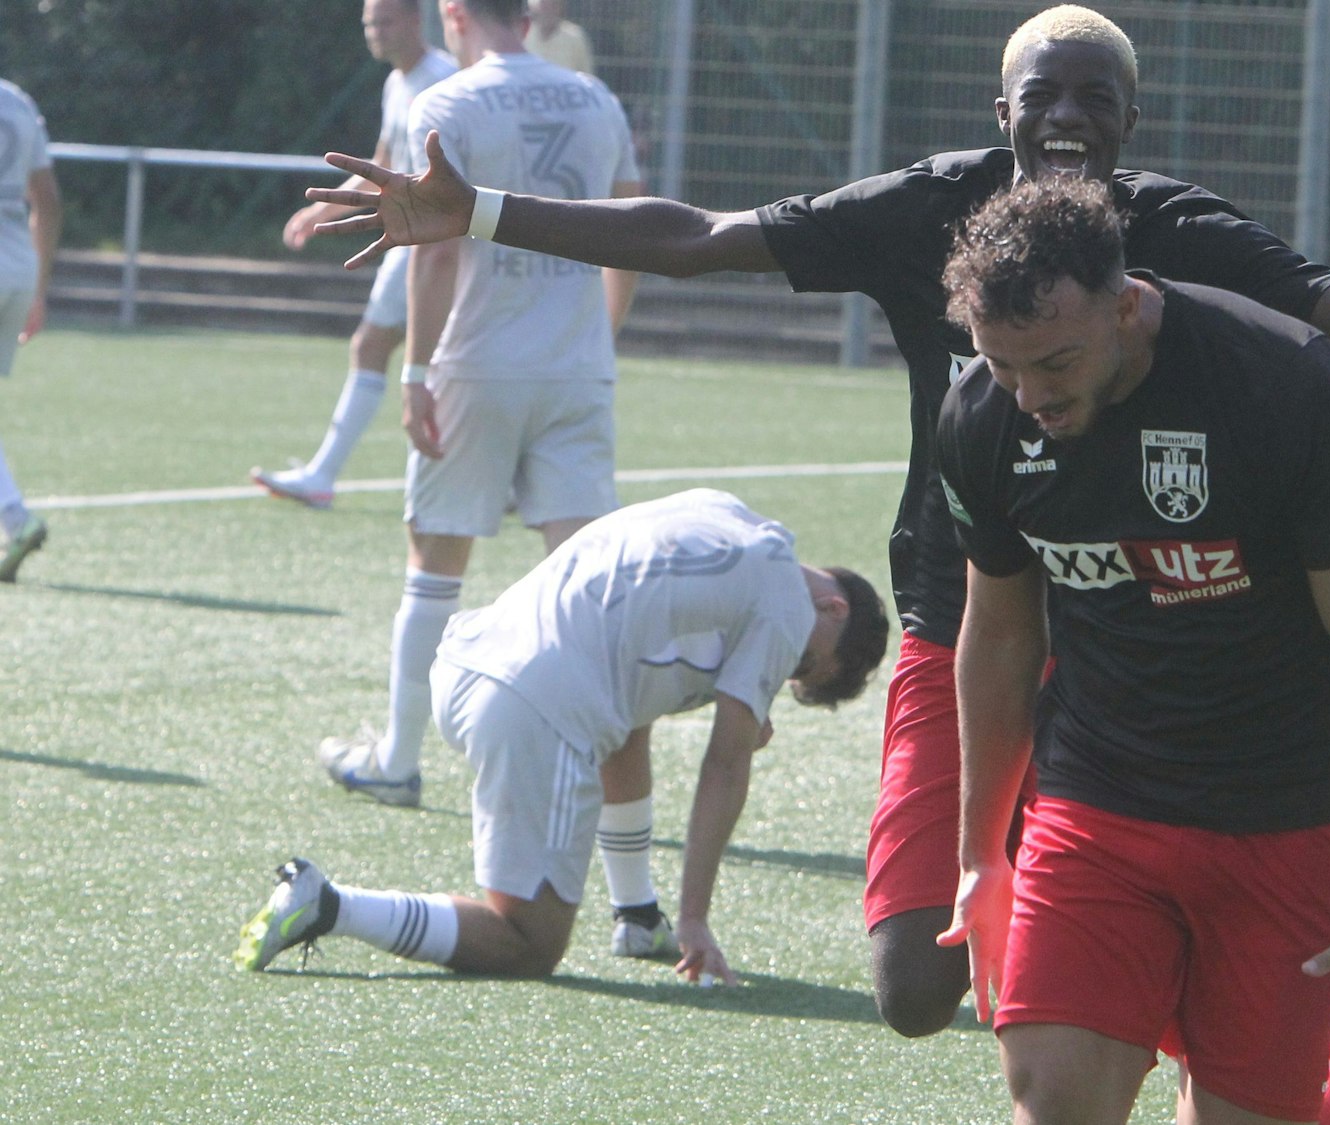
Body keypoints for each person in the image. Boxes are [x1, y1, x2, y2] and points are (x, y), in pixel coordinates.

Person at [298, 5, 1330, 1104]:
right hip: (968, 617)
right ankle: (1204, 1006)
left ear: (1129, 121)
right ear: (1003, 109)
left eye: (1094, 102)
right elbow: (694, 236)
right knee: (921, 982)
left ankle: (1269, 1031)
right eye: (1041, 97)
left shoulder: (1181, 243)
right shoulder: (929, 210)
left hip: (1151, 655)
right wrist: (475, 212)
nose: (1066, 118)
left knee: (1103, 1035)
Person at [932, 174, 1330, 1125]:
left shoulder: (1285, 383)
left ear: (1126, 307)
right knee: (1055, 1094)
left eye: (1057, 363)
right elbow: (997, 633)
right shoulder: (985, 417)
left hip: (1286, 813)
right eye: (1002, 365)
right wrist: (979, 854)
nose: (1030, 395)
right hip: (1099, 799)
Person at [236, 488, 890, 981]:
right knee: (529, 943)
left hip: (469, 658)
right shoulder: (785, 606)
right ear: (833, 606)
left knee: (629, 709)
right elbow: (724, 768)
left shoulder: (727, 513)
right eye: (803, 664)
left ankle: (636, 915)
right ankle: (330, 904)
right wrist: (696, 917)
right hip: (532, 705)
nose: (784, 673)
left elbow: (638, 677)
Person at [312, 0, 642, 820]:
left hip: (478, 367)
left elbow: (432, 254)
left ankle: (396, 758)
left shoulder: (446, 103)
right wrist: (596, 335)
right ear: (525, 15)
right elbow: (632, 224)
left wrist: (418, 369)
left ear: (453, 13)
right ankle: (601, 788)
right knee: (585, 581)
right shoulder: (594, 98)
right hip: (576, 370)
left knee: (434, 565)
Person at [251, 0, 457, 510]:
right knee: (389, 349)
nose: (375, 32)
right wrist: (321, 209)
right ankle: (324, 474)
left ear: (414, 20)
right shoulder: (396, 84)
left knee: (416, 354)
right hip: (410, 240)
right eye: (369, 23)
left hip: (436, 242)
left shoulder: (444, 81)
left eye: (385, 21)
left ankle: (324, 476)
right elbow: (385, 163)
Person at [0, 78, 61, 584]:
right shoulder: (20, 102)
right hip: (17, 267)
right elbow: (50, 202)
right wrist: (38, 290)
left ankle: (15, 517)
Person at [525, 0, 593, 76]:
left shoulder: (575, 38)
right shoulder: (524, 35)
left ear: (560, 7)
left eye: (553, 5)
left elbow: (587, 78)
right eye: (543, 5)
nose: (547, 10)